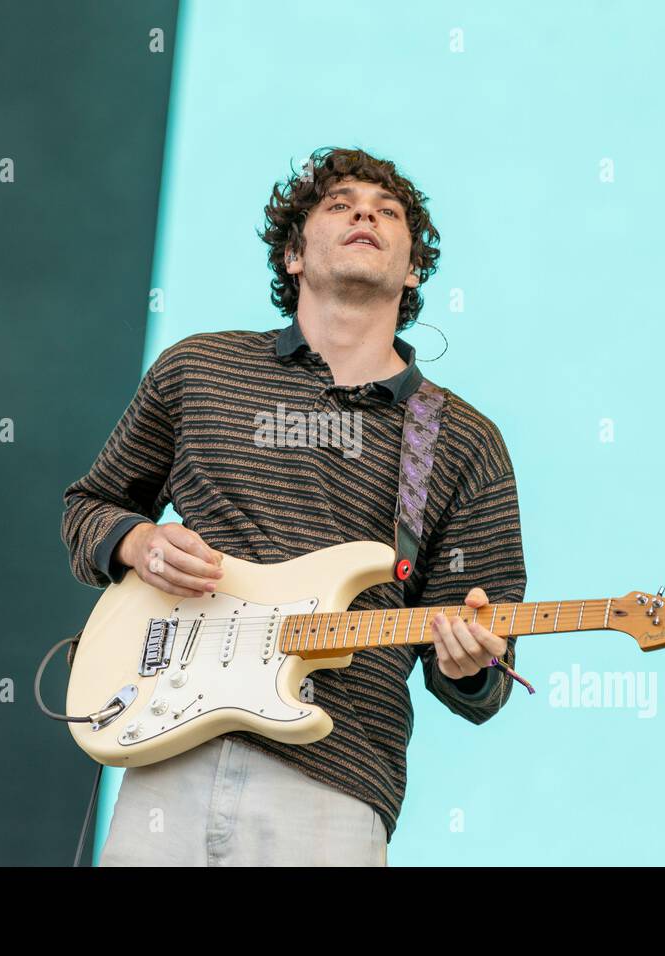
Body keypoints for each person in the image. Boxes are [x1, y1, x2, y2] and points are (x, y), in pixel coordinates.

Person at [61, 146, 527, 866]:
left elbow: (480, 678)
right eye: (340, 204)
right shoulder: (199, 369)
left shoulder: (464, 441)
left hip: (337, 780)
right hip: (168, 751)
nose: (366, 213)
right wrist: (137, 543)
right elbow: (89, 506)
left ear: (413, 271)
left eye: (389, 211)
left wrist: (471, 665)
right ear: (293, 257)